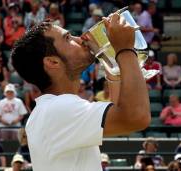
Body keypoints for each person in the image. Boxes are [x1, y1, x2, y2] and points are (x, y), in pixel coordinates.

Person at [10, 12, 151, 170]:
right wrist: (125, 49)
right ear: (52, 62)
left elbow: (121, 114)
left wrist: (111, 60)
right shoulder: (59, 109)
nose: (80, 38)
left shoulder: (50, 110)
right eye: (68, 38)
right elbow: (136, 117)